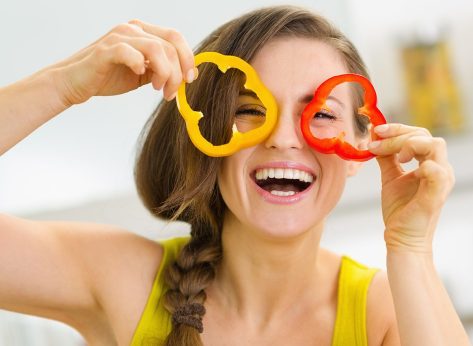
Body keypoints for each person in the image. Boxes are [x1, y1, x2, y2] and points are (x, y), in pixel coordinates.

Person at [0, 5, 469, 346]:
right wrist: (63, 85)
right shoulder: (121, 280)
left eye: (321, 115)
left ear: (360, 148)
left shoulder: (382, 313)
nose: (284, 138)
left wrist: (409, 250)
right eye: (249, 110)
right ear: (208, 140)